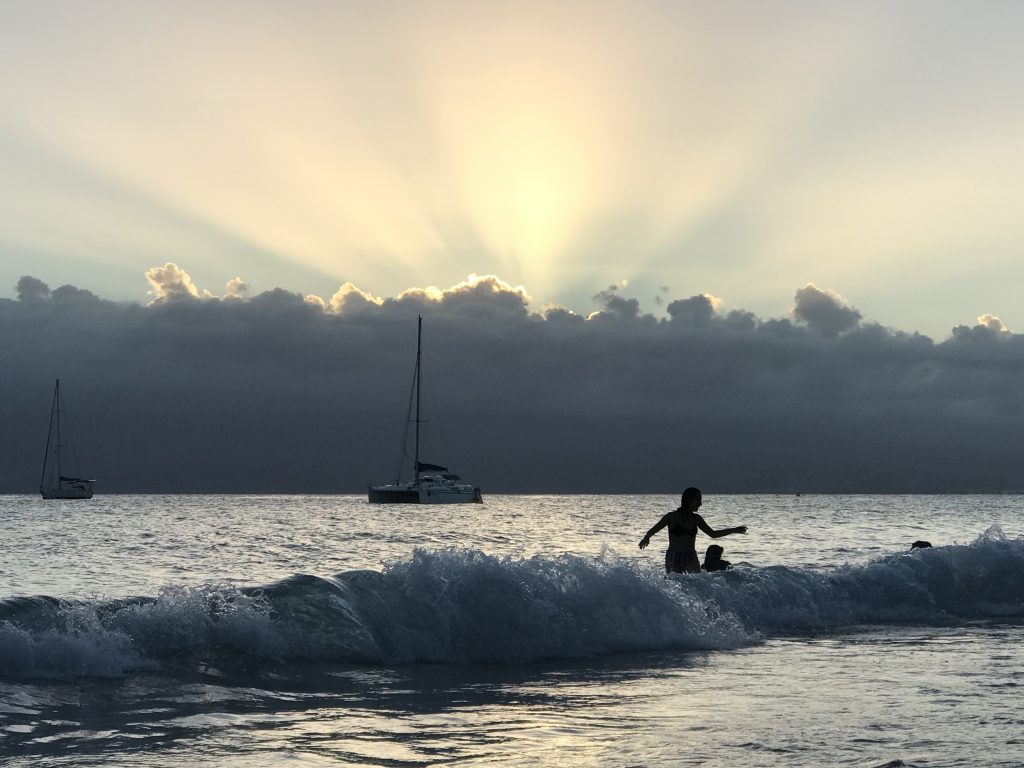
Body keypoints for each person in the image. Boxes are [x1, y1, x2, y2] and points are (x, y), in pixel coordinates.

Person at [638, 487, 747, 573]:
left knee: (697, 583)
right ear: (690, 500)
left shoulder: (696, 519)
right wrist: (646, 537)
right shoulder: (671, 517)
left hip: (690, 556)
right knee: (675, 583)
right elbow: (653, 530)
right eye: (698, 500)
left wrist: (734, 530)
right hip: (674, 556)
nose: (700, 503)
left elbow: (713, 534)